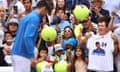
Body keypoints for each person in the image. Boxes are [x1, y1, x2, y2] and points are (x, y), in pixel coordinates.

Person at [11, 0, 49, 72]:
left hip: (17, 53)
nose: (45, 14)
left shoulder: (28, 17)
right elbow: (27, 37)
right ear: (44, 8)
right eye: (46, 12)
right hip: (23, 54)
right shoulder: (35, 18)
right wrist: (32, 55)